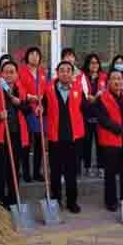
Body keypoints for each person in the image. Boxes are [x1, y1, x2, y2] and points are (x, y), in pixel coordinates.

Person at [42, 61, 88, 213]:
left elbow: (87, 109)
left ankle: (72, 202)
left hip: (74, 138)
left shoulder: (79, 89)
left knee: (71, 172)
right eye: (62, 70)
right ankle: (55, 200)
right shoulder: (48, 90)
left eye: (68, 70)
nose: (65, 73)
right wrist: (38, 108)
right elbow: (41, 108)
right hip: (55, 138)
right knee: (55, 172)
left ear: (72, 73)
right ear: (57, 72)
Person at [0, 60, 31, 207]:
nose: (9, 75)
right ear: (1, 74)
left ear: (17, 74)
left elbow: (28, 110)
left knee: (14, 167)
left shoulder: (20, 90)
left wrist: (20, 103)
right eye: (6, 72)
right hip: (0, 135)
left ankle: (13, 197)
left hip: (16, 134)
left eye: (12, 72)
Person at [95, 70, 123, 212]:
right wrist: (121, 129)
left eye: (119, 79)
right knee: (110, 173)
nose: (117, 81)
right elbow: (103, 120)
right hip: (110, 141)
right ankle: (111, 201)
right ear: (108, 82)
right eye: (113, 79)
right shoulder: (102, 98)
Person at [18, 46, 48, 183]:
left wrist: (42, 102)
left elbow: (46, 90)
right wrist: (28, 96)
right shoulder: (21, 71)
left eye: (37, 54)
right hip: (26, 109)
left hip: (40, 110)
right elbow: (18, 87)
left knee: (39, 142)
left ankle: (36, 171)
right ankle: (26, 172)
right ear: (27, 57)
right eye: (32, 54)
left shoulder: (42, 72)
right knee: (26, 142)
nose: (34, 56)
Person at [81, 53, 107, 177]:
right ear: (87, 64)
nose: (94, 65)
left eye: (96, 63)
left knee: (101, 143)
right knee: (86, 142)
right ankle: (87, 166)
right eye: (92, 62)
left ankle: (101, 166)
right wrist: (88, 97)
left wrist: (97, 96)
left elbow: (107, 92)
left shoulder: (104, 77)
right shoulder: (82, 77)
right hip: (85, 114)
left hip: (100, 115)